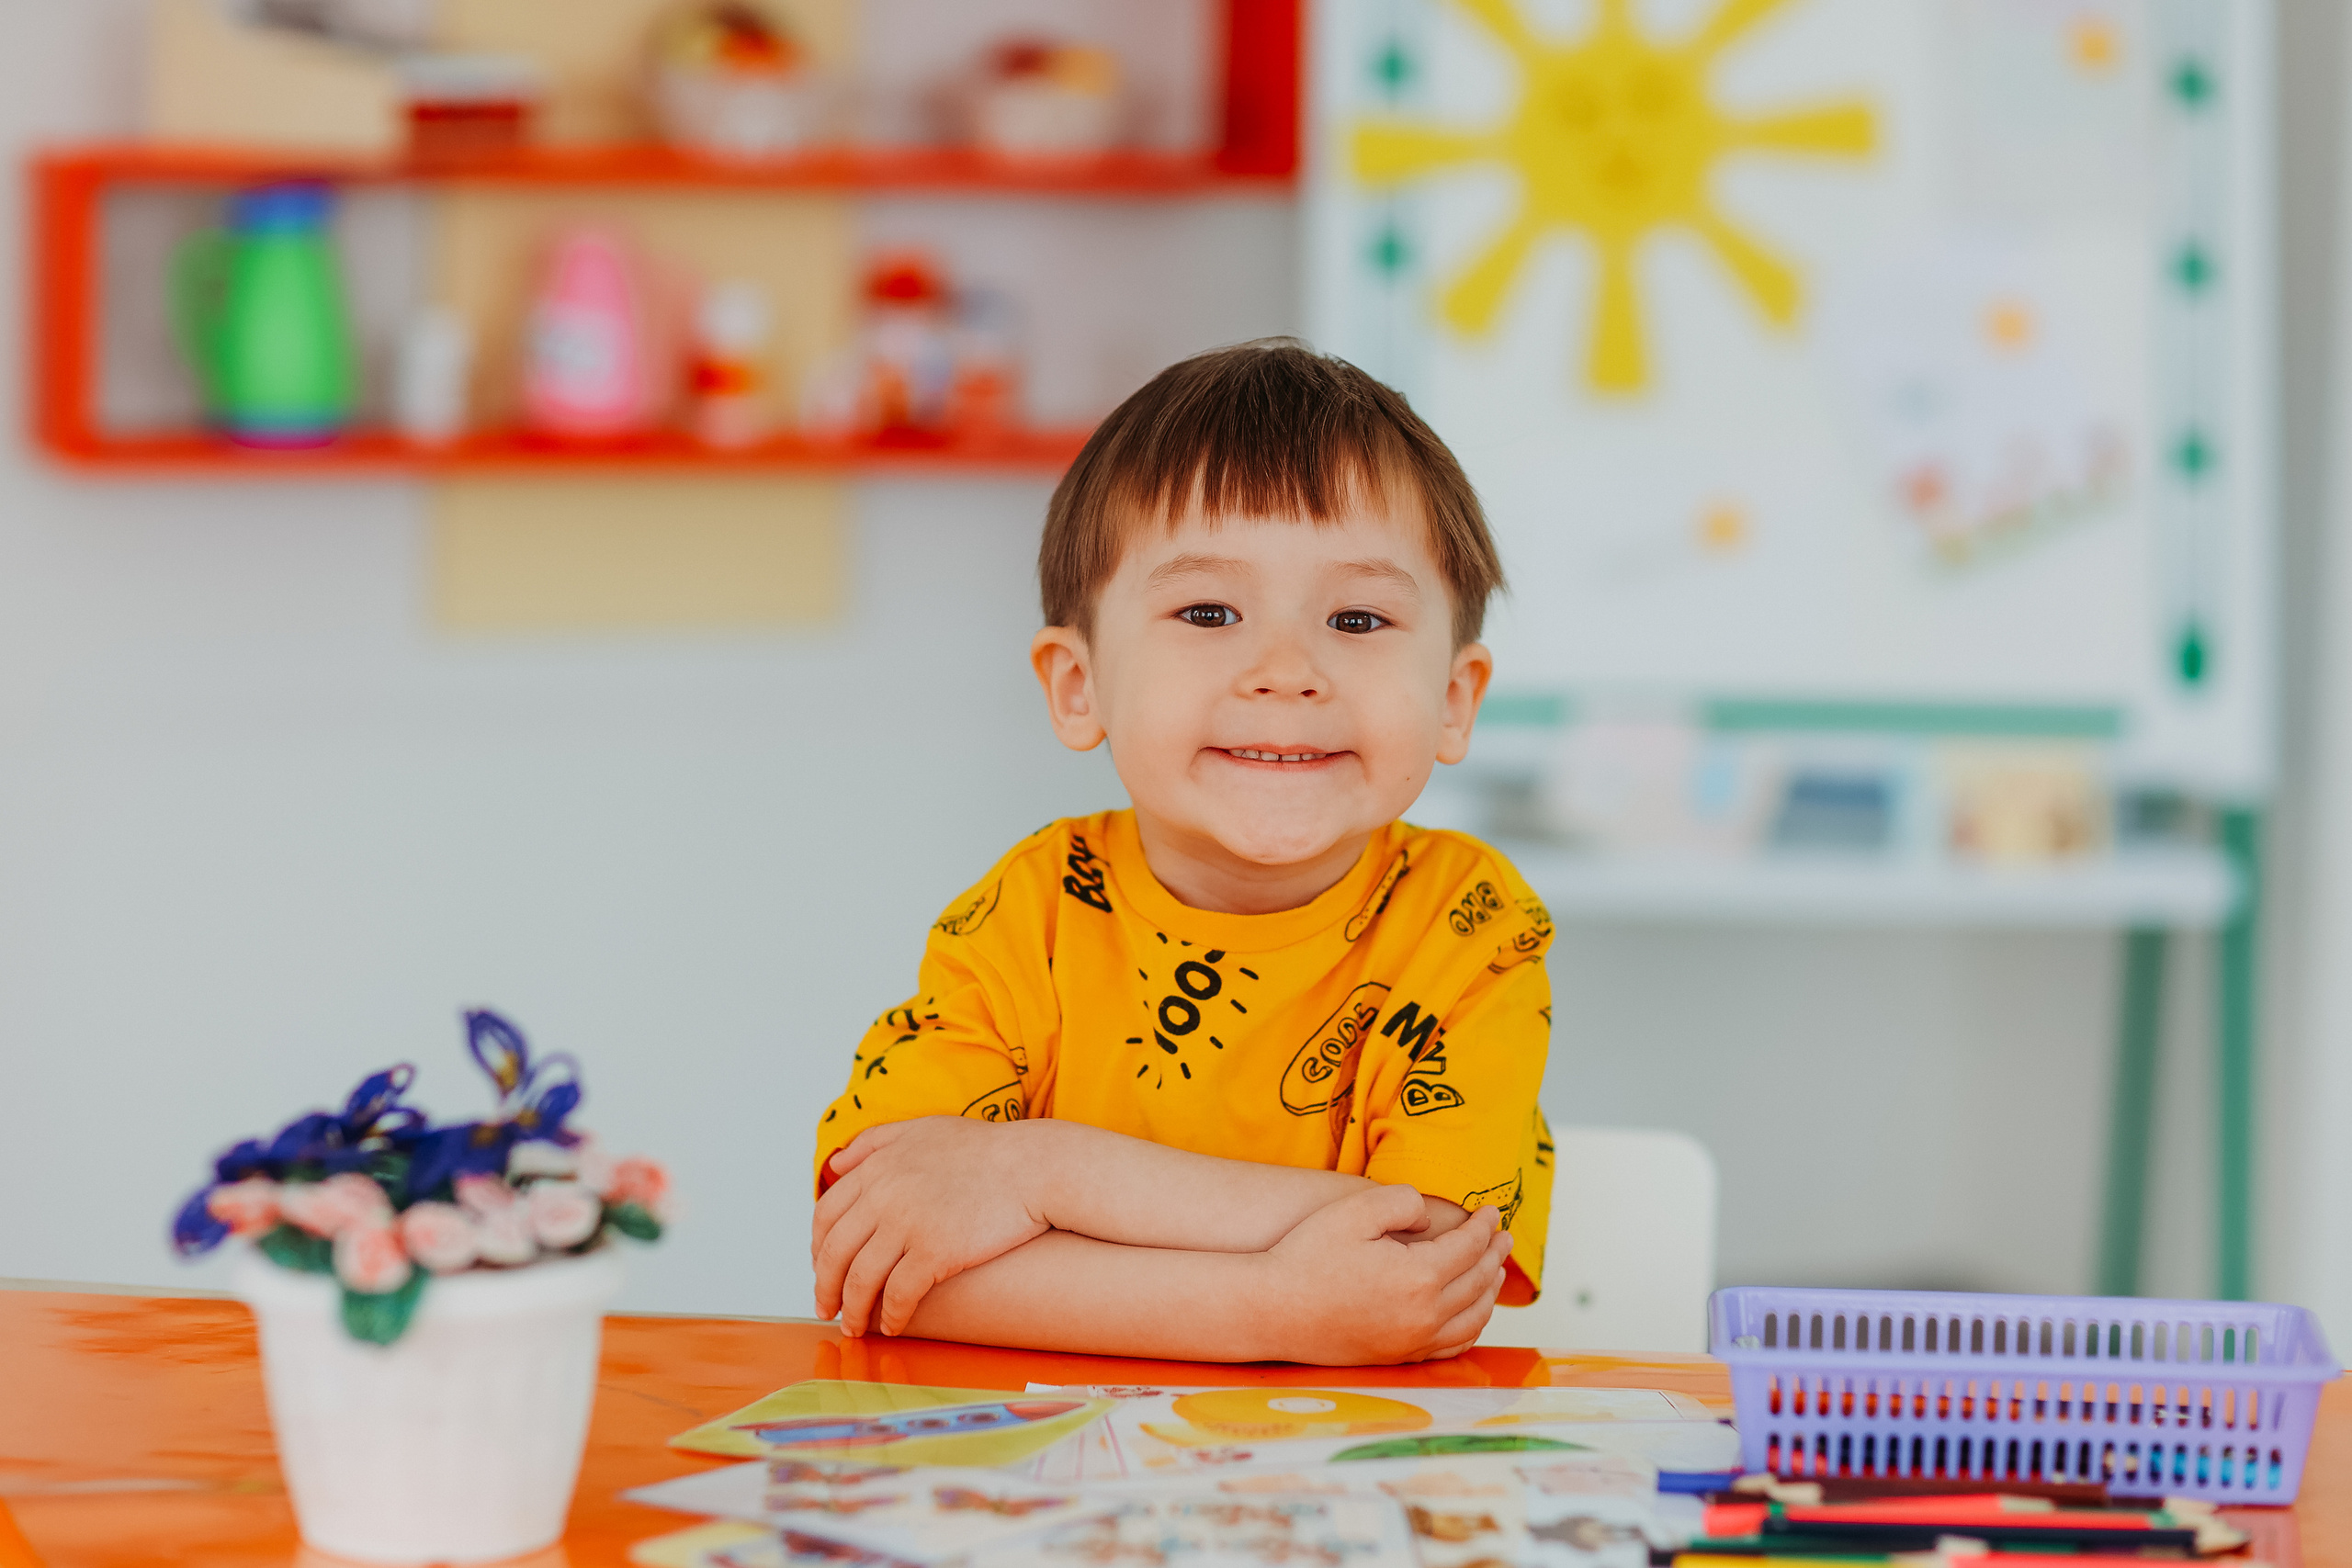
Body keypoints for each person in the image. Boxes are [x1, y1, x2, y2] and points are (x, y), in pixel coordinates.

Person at [809, 339, 1554, 1365]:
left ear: (1454, 700)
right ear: (1078, 685)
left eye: (1357, 616)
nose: (1286, 670)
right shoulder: (1028, 912)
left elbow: (1422, 1258)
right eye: (1208, 611)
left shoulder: (1471, 924)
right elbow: (887, 1261)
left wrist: (1039, 1175)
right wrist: (1274, 1307)